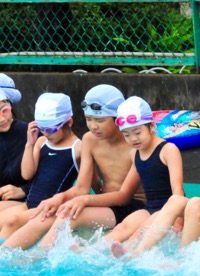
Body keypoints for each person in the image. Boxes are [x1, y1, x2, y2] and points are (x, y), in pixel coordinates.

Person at [110, 93, 200, 257]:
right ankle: (132, 251)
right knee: (181, 204)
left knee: (179, 204)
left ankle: (156, 254)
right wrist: (192, 215)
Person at [1, 84, 144, 250]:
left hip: (132, 206)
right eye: (88, 119)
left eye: (99, 120)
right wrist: (58, 198)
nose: (93, 125)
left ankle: (40, 256)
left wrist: (84, 200)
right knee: (46, 214)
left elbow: (124, 197)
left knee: (68, 216)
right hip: (106, 203)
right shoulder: (89, 140)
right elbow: (82, 188)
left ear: (118, 118)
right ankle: (4, 256)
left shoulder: (134, 144)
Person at [73, 96, 182, 253]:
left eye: (137, 132)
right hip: (149, 208)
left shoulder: (168, 150)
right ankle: (91, 251)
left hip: (168, 210)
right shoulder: (135, 154)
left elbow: (178, 192)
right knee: (123, 226)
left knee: (139, 232)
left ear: (151, 126)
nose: (133, 139)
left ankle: (130, 253)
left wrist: (178, 218)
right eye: (127, 134)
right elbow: (125, 193)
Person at [0, 93, 81, 242]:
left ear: (69, 122)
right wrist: (29, 144)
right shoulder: (41, 141)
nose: (46, 133)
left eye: (50, 129)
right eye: (42, 128)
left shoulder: (78, 148)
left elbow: (85, 185)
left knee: (11, 221)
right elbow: (27, 174)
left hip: (49, 211)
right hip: (29, 204)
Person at [0, 73, 31, 212]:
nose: (1, 119)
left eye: (4, 110)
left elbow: (52, 175)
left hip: (28, 202)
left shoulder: (30, 133)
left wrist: (23, 190)